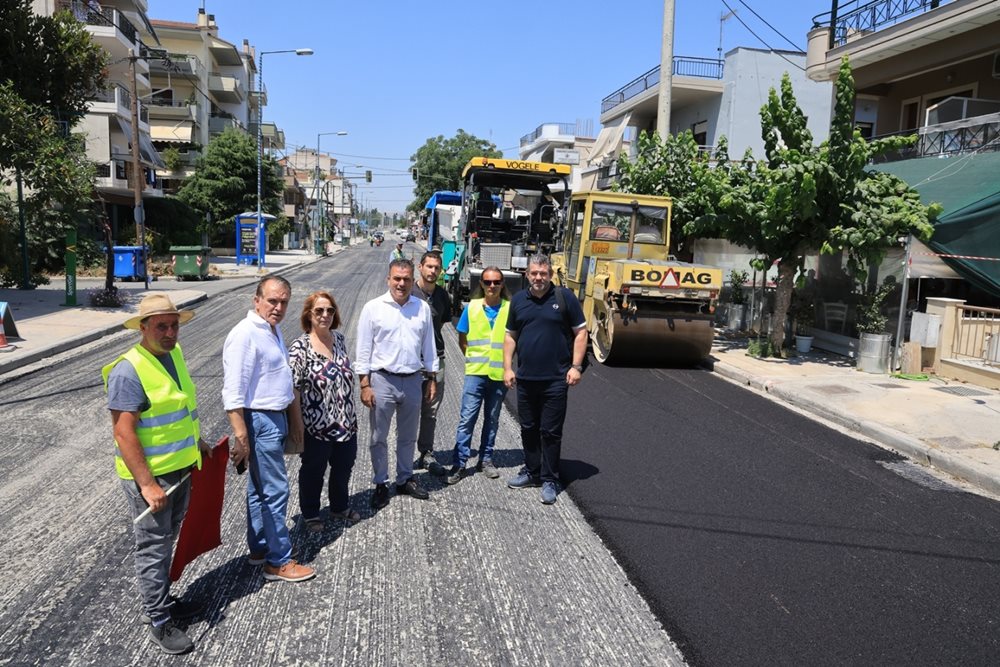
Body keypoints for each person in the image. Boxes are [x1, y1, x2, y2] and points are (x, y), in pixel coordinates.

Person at [103, 293, 211, 655]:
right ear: (143, 328)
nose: (169, 332)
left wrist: (199, 442)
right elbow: (124, 432)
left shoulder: (173, 355)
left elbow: (179, 409)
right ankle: (159, 620)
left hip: (179, 469)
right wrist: (147, 484)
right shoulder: (128, 370)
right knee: (152, 548)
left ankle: (163, 599)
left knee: (167, 543)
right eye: (161, 326)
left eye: (174, 325)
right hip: (152, 480)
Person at [222, 276, 315, 583]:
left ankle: (260, 548)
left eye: (284, 302)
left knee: (259, 489)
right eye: (272, 301)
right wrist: (242, 437)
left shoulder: (270, 330)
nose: (278, 307)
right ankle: (280, 561)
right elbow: (233, 393)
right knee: (275, 490)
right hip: (259, 419)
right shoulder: (246, 334)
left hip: (272, 417)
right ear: (257, 300)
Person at [503, 255, 588, 505]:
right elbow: (511, 337)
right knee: (528, 428)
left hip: (555, 379)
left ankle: (550, 478)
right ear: (526, 275)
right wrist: (508, 368)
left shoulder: (564, 298)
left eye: (543, 273)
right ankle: (532, 471)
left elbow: (581, 332)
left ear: (550, 274)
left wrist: (576, 366)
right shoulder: (519, 300)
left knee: (550, 431)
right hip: (526, 378)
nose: (538, 277)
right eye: (534, 273)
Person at [355, 258, 439, 509]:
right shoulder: (373, 308)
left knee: (407, 436)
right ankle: (381, 482)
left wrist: (431, 377)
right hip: (382, 380)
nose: (401, 284)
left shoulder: (421, 308)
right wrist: (364, 384)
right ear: (388, 279)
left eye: (406, 279)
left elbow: (429, 346)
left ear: (413, 281)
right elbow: (363, 348)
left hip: (413, 380)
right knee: (378, 437)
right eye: (396, 278)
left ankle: (404, 479)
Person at [288, 291, 360, 533]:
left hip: (346, 422)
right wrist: (297, 424)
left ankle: (339, 506)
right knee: (313, 471)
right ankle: (310, 513)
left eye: (330, 310)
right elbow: (293, 388)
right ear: (309, 315)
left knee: (344, 467)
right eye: (319, 311)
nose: (325, 315)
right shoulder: (300, 347)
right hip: (315, 426)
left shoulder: (338, 339)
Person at [447, 266, 511, 484]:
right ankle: (460, 462)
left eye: (496, 282)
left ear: (502, 284)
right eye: (487, 282)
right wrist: (473, 357)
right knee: (467, 419)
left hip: (498, 374)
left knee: (492, 420)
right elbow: (462, 338)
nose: (492, 286)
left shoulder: (510, 309)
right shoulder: (472, 308)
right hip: (475, 374)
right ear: (481, 284)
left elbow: (514, 341)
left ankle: (485, 460)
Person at [412, 251, 452, 475]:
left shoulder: (443, 296)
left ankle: (426, 453)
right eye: (429, 267)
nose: (433, 271)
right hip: (410, 362)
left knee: (431, 411)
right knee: (408, 411)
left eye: (437, 268)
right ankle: (403, 456)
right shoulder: (409, 293)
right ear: (420, 267)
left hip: (436, 360)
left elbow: (441, 324)